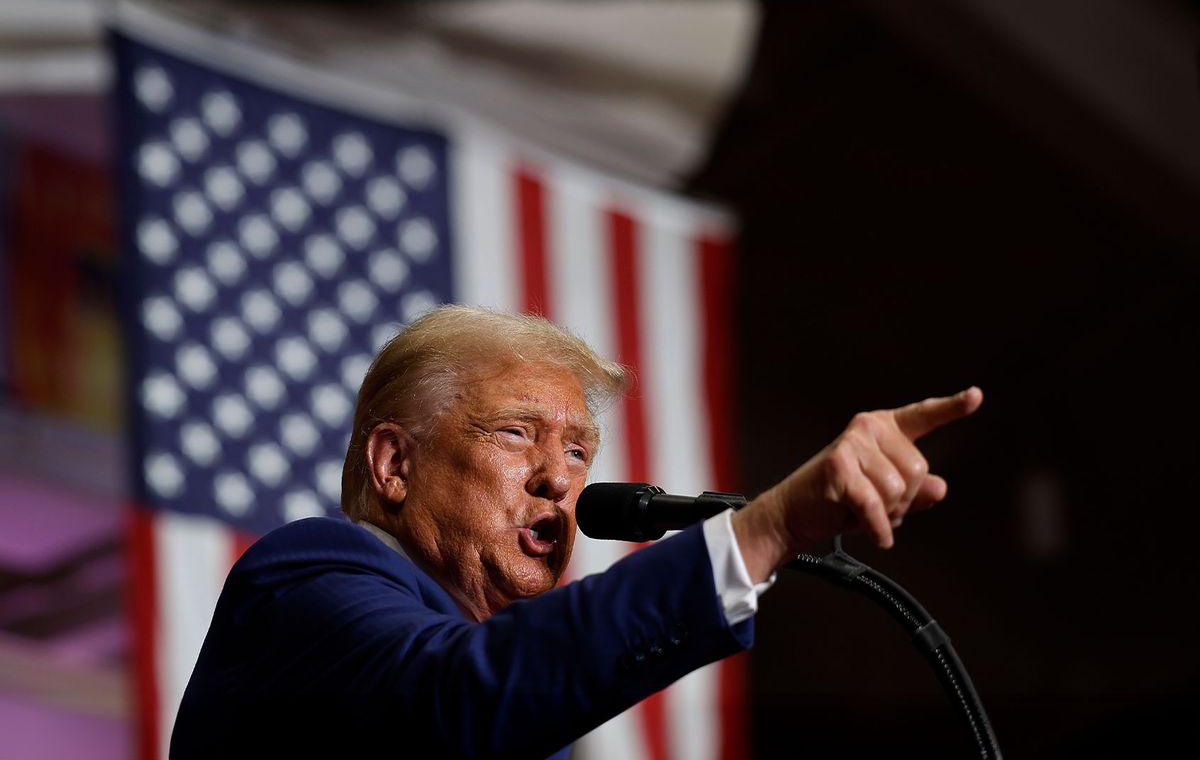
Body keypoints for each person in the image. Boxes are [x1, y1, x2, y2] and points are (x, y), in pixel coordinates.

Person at [170, 306, 982, 759]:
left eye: (578, 451)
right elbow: (463, 695)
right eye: (516, 434)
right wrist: (769, 527)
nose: (560, 479)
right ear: (393, 465)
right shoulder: (306, 579)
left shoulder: (533, 720)